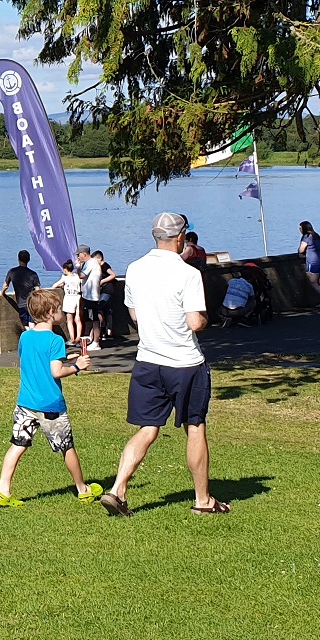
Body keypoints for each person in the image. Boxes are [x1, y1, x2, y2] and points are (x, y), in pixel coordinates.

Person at [103, 212, 224, 517]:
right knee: (195, 427)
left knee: (147, 429)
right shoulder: (187, 274)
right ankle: (202, 500)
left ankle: (118, 489)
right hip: (185, 363)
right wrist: (207, 319)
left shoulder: (134, 269)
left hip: (148, 360)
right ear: (181, 237)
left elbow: (134, 315)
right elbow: (195, 322)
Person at [0, 288, 103, 507]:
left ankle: (2, 490)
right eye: (60, 309)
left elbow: (34, 359)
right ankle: (83, 489)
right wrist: (77, 367)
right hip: (50, 404)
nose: (62, 312)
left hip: (25, 403)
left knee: (18, 444)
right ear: (52, 312)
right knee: (66, 446)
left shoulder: (25, 336)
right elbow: (56, 372)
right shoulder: (55, 340)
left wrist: (63, 358)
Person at [74, 245, 105, 349]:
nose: (78, 257)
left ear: (84, 254)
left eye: (78, 255)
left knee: (94, 319)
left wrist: (78, 267)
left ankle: (96, 342)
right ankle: (92, 340)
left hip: (91, 296)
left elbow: (82, 275)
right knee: (90, 319)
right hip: (88, 295)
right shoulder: (90, 263)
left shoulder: (91, 263)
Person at [6, 250, 43, 326]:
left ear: (18, 259)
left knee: (25, 324)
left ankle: (30, 335)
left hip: (21, 304)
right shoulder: (33, 274)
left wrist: (2, 293)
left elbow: (6, 286)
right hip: (31, 302)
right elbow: (38, 290)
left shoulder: (12, 272)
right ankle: (32, 335)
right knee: (32, 322)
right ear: (28, 260)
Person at [55, 258, 82, 345]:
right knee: (78, 319)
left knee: (69, 320)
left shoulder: (65, 278)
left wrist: (62, 286)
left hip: (69, 298)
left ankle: (72, 338)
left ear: (65, 269)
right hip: (78, 297)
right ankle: (78, 337)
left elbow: (54, 286)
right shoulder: (77, 277)